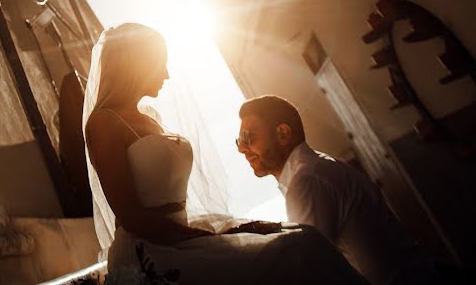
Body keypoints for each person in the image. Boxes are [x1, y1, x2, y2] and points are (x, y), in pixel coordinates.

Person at [83, 24, 367, 283]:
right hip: (151, 251)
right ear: (136, 64)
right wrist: (217, 236)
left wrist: (231, 231)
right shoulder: (104, 123)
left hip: (181, 235)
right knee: (297, 251)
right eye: (160, 64)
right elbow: (133, 217)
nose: (167, 74)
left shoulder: (151, 118)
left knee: (305, 235)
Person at [236, 95, 438, 284]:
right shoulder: (316, 167)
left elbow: (311, 270)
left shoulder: (306, 181)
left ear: (283, 134)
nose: (242, 149)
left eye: (249, 138)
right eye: (239, 142)